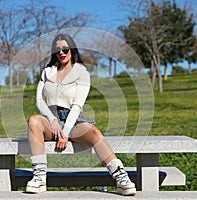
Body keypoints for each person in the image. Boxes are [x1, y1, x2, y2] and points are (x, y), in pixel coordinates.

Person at [26, 33, 136, 196]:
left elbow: (77, 106)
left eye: (65, 49)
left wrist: (65, 132)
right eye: (58, 50)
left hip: (73, 119)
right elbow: (39, 100)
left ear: (72, 50)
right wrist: (53, 119)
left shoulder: (81, 72)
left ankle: (121, 178)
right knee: (34, 120)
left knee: (94, 132)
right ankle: (39, 178)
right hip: (51, 120)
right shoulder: (47, 72)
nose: (61, 53)